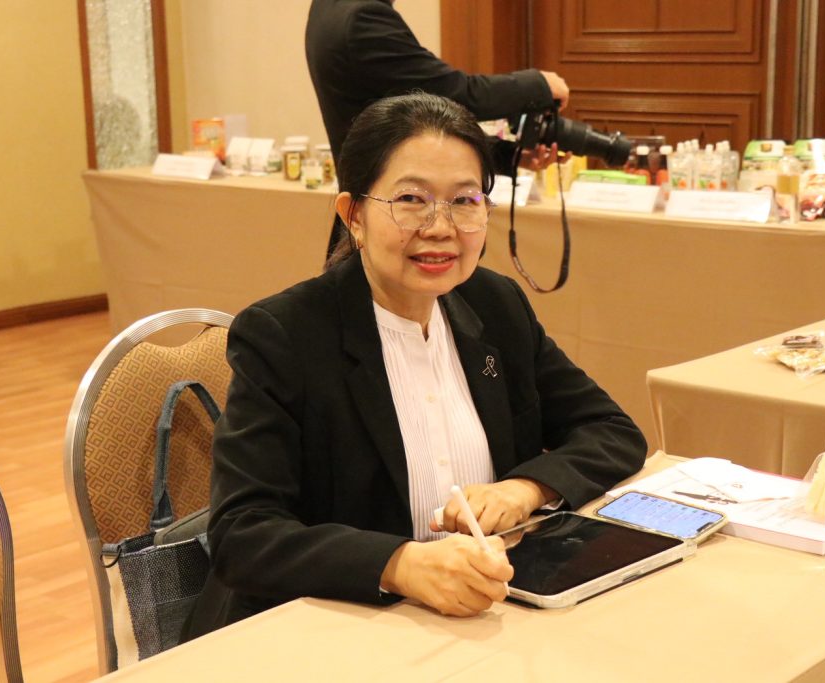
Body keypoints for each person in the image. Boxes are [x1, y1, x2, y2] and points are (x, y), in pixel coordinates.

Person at [183, 93, 644, 638]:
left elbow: (612, 430)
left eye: (464, 200)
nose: (440, 227)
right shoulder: (285, 334)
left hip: (482, 616)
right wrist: (400, 564)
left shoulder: (496, 305)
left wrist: (524, 489)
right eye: (411, 199)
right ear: (353, 215)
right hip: (327, 628)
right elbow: (243, 534)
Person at [306, 0, 570, 256]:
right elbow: (452, 96)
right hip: (403, 227)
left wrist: (509, 155)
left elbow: (403, 127)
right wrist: (538, 85)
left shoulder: (327, 8)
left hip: (376, 221)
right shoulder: (364, 16)